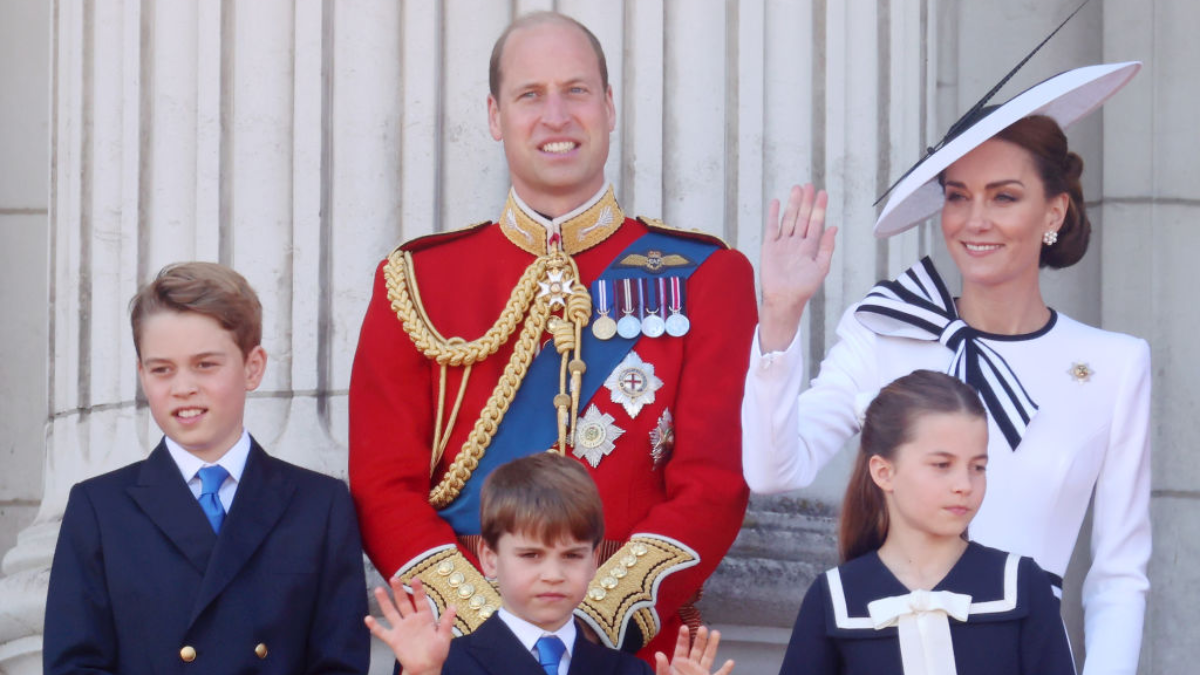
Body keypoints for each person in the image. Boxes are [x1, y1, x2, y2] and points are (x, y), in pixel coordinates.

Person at [349, 11, 756, 660]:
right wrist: (493, 633)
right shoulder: (417, 281)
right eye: (530, 94)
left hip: (630, 653)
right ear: (494, 116)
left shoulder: (708, 276)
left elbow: (713, 484)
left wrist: (586, 621)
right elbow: (383, 484)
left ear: (610, 105)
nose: (556, 115)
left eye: (577, 90)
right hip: (461, 652)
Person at [742, 62, 1149, 675]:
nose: (973, 221)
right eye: (958, 197)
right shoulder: (882, 329)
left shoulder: (1116, 366)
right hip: (884, 648)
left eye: (1004, 197)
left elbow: (1118, 575)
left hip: (1023, 653)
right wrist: (779, 315)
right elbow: (773, 469)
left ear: (1053, 213)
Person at [43, 262, 370, 675]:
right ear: (142, 374)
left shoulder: (319, 505)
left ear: (253, 367)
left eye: (205, 365)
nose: (182, 387)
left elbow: (339, 664)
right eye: (162, 369)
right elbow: (75, 664)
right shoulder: (98, 508)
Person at [780, 370, 1075, 675]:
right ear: (883, 472)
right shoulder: (836, 596)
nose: (964, 484)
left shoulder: (1020, 585)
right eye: (942, 465)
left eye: (978, 466)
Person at [365, 453, 736, 675]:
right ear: (490, 559)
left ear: (594, 562)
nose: (553, 575)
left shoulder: (628, 670)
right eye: (531, 556)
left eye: (572, 556)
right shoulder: (445, 661)